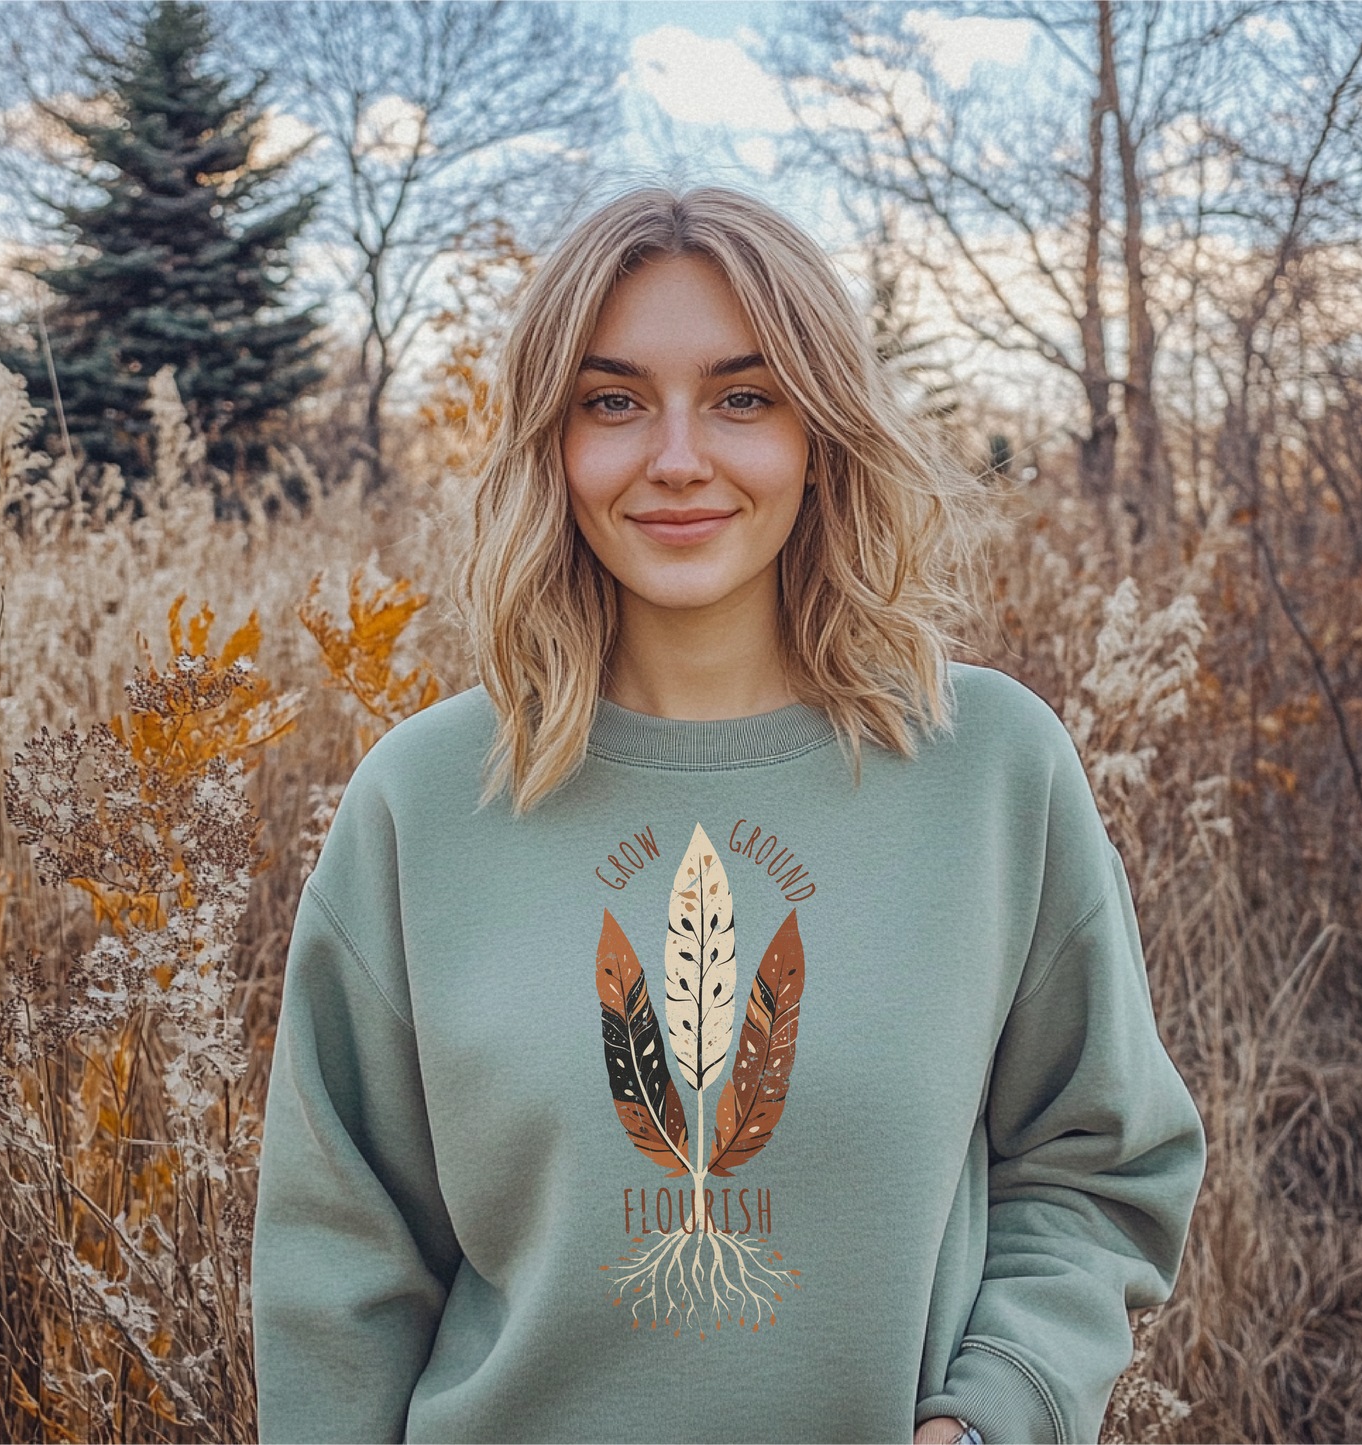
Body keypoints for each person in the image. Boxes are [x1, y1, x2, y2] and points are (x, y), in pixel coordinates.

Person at [251, 186, 1205, 1445]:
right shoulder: (422, 798)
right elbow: (337, 1266)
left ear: (821, 431)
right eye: (612, 400)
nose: (678, 456)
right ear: (553, 439)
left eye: (742, 396)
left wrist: (990, 1416)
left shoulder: (988, 771)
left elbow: (1097, 1163)